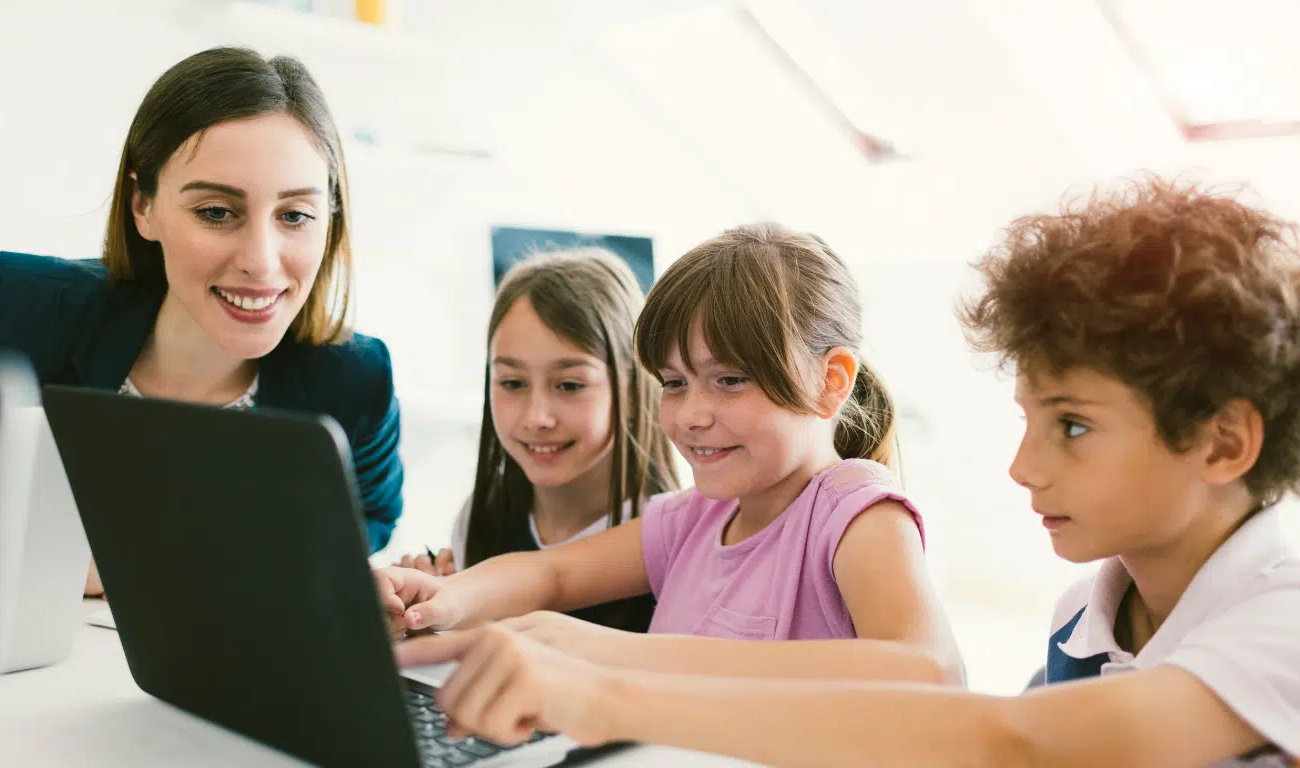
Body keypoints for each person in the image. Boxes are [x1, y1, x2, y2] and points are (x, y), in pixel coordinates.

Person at [397, 179, 1300, 767]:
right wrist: (494, 623)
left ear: (1224, 444)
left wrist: (601, 677)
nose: (1023, 467)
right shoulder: (1090, 618)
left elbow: (1009, 739)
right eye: (1031, 421)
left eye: (1070, 426)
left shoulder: (1283, 616)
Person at [380, 224, 962, 686]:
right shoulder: (694, 517)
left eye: (729, 380)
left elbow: (931, 672)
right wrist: (438, 600)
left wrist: (630, 657)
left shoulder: (854, 513)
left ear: (830, 380)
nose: (690, 415)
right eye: (675, 383)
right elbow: (551, 574)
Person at [0, 47, 406, 594]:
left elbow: (363, 530)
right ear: (143, 207)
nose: (260, 260)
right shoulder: (14, 310)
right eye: (216, 212)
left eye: (295, 216)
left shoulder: (354, 381)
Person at [398, 249, 678, 632]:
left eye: (569, 385)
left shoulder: (675, 536)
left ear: (633, 389)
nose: (537, 417)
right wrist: (430, 612)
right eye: (512, 383)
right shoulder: (483, 517)